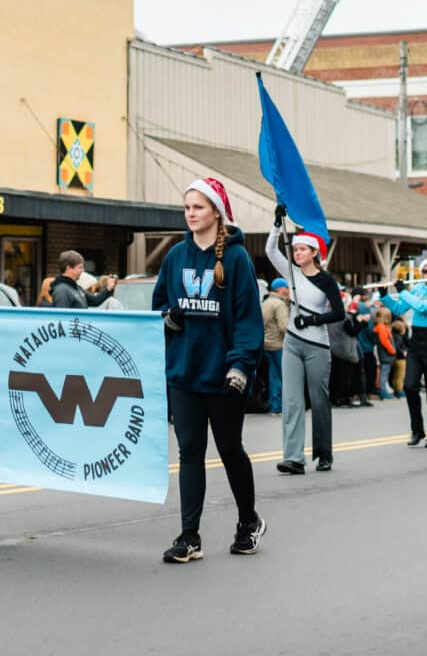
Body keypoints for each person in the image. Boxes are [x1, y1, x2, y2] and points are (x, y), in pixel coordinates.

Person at [153, 177, 264, 564]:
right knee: (190, 452)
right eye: (186, 207)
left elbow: (249, 318)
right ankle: (189, 536)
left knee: (230, 449)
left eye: (198, 207)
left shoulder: (235, 259)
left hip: (224, 375)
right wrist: (168, 318)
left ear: (216, 212)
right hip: (184, 373)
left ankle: (248, 522)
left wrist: (240, 366)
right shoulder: (174, 257)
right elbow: (159, 308)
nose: (190, 213)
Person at [266, 212, 343, 473]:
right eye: (295, 249)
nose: (297, 253)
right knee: (291, 400)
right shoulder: (291, 274)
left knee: (319, 399)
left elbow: (339, 313)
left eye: (302, 249)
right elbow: (270, 251)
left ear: (314, 252)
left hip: (317, 347)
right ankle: (294, 458)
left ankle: (324, 453)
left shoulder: (326, 280)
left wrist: (311, 321)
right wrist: (277, 226)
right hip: (292, 344)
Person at [383, 256, 427, 449]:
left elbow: (423, 307)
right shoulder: (417, 290)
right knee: (410, 386)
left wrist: (403, 291)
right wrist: (385, 296)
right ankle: (417, 430)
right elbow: (399, 308)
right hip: (416, 342)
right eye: (425, 271)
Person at [260, 279, 289, 415]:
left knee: (273, 376)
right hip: (279, 344)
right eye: (286, 288)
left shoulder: (265, 303)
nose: (288, 291)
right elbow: (284, 326)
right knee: (284, 376)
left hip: (266, 344)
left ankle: (275, 406)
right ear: (281, 289)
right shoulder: (279, 304)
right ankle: (281, 406)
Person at [49, 251, 117, 308]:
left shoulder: (75, 287)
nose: (82, 270)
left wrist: (109, 288)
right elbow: (62, 319)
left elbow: (94, 301)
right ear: (68, 268)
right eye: (80, 267)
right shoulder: (61, 291)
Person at [373, 308, 396, 399]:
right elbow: (384, 341)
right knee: (384, 373)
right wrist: (392, 350)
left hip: (383, 353)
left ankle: (383, 390)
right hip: (385, 353)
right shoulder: (382, 327)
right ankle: (383, 391)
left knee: (384, 372)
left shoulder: (379, 326)